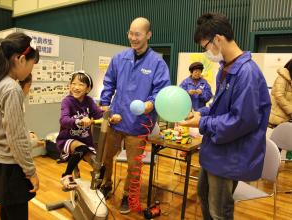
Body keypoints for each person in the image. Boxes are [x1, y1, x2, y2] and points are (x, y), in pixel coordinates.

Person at [180, 13, 271, 219]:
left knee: (219, 210)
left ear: (218, 39)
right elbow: (218, 107)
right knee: (204, 194)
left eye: (205, 47)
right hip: (216, 150)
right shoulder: (226, 68)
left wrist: (202, 122)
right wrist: (200, 113)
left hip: (230, 155)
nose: (206, 53)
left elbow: (241, 121)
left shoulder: (246, 73)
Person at [99, 17, 171, 214]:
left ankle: (127, 196)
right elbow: (108, 83)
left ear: (148, 35)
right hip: (116, 119)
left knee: (133, 166)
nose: (133, 37)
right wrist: (105, 104)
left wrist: (151, 103)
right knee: (106, 156)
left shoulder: (157, 63)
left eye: (137, 34)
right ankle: (105, 184)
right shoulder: (119, 58)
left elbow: (161, 91)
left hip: (139, 124)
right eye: (130, 33)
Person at [0, 32, 40, 220]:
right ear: (21, 59)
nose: (30, 72)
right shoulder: (12, 88)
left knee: (7, 214)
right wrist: (31, 172)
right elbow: (16, 139)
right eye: (31, 66)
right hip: (12, 170)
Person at [56, 71, 104, 191]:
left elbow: (99, 115)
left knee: (100, 166)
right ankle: (66, 175)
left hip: (85, 141)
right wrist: (78, 121)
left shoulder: (89, 101)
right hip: (67, 139)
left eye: (81, 85)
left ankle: (95, 187)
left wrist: (111, 117)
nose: (76, 87)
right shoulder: (67, 101)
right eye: (73, 83)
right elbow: (64, 119)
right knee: (81, 149)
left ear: (88, 89)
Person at [268, 59, 292, 127]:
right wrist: (290, 110)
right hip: (276, 119)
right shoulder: (283, 78)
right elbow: (279, 96)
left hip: (286, 120)